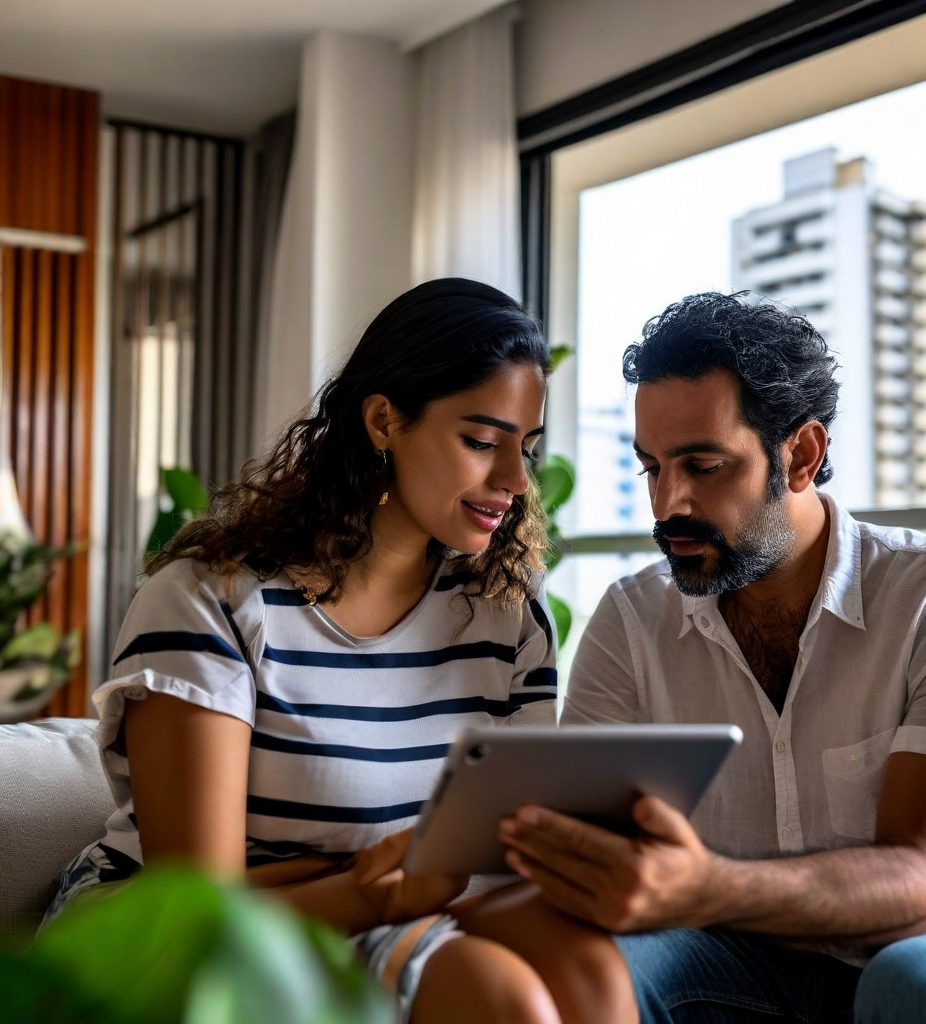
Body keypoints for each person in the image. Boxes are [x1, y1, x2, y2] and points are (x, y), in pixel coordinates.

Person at [48, 279, 635, 1024]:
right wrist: (366, 888)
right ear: (385, 421)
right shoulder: (213, 601)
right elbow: (197, 911)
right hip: (176, 940)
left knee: (593, 975)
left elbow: (494, 856)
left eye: (526, 447)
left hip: (384, 905)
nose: (516, 482)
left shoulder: (506, 616)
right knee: (500, 997)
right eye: (483, 442)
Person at [498, 291, 926, 1023]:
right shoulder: (632, 618)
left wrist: (702, 885)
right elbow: (593, 849)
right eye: (651, 467)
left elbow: (921, 887)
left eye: (705, 465)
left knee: (918, 979)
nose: (668, 503)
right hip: (737, 964)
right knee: (591, 963)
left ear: (802, 455)